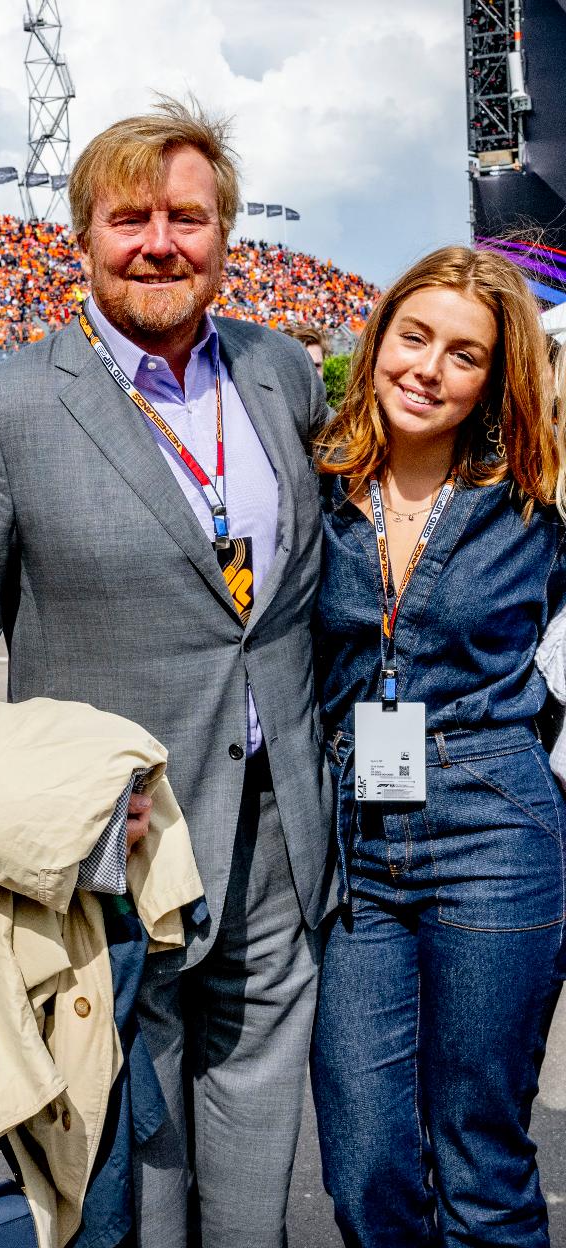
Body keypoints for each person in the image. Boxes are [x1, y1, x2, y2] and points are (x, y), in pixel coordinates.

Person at [0, 98, 332, 1248]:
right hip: (116, 847)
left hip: (277, 827)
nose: (160, 242)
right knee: (133, 1148)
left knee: (260, 1114)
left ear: (224, 236)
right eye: (131, 218)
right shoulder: (4, 408)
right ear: (83, 236)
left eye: (188, 217)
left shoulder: (280, 374)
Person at [311, 245, 565, 1247]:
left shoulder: (537, 497)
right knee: (367, 1162)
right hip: (356, 851)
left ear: (497, 376)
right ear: (377, 343)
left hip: (493, 833)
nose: (429, 369)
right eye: (413, 337)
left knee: (479, 1160)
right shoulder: (320, 480)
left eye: (465, 354)